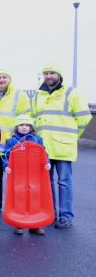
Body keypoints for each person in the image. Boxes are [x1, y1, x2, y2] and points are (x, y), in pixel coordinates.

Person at [32, 64, 92, 229]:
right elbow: (34, 118)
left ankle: (66, 216)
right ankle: (50, 214)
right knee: (47, 182)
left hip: (63, 146)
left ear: (58, 74)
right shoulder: (39, 95)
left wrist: (73, 135)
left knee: (64, 182)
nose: (48, 76)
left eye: (52, 73)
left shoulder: (72, 93)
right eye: (46, 73)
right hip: (43, 147)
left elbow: (85, 118)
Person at [0, 69, 31, 213]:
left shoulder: (20, 95)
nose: (1, 80)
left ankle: (19, 205)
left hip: (12, 142)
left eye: (4, 77)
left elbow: (25, 118)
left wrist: (21, 137)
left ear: (10, 79)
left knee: (16, 175)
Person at [2, 114, 51, 235]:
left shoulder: (37, 139)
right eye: (21, 125)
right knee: (19, 196)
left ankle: (36, 225)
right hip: (18, 174)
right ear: (17, 127)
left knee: (35, 196)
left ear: (31, 127)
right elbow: (5, 155)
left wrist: (47, 163)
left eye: (27, 125)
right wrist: (6, 166)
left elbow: (44, 153)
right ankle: (19, 224)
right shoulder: (12, 140)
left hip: (35, 174)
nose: (24, 127)